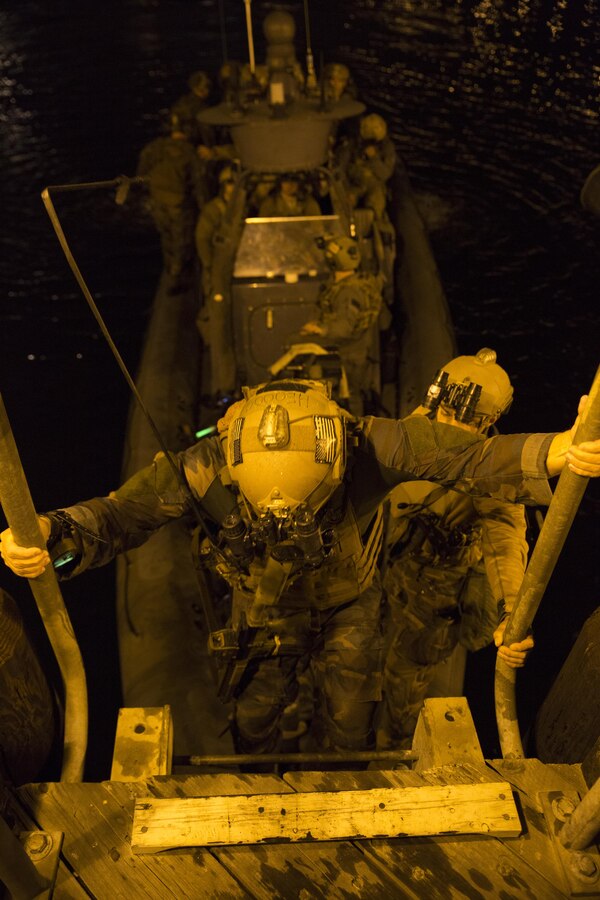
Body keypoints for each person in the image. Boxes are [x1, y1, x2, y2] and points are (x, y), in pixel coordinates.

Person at [1, 379, 598, 761]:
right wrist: (54, 533)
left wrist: (560, 449)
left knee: (351, 709)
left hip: (352, 605)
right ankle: (256, 764)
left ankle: (352, 767)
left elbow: (466, 455)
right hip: (262, 609)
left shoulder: (369, 445)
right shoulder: (207, 465)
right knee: (256, 710)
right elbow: (122, 514)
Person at [378, 349, 536, 750]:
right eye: (444, 413)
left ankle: (391, 749)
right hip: (386, 570)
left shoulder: (491, 470)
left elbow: (505, 537)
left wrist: (512, 612)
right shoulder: (412, 430)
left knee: (405, 681)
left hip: (431, 599)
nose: (447, 425)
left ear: (488, 423)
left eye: (460, 418)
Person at [301, 235, 384, 414]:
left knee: (353, 402)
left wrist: (321, 329)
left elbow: (344, 327)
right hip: (355, 352)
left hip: (350, 354)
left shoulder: (349, 291)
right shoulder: (352, 283)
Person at [136, 113, 206, 291]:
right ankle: (177, 275)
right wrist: (202, 205)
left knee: (166, 235)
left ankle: (169, 268)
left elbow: (141, 174)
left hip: (158, 200)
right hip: (177, 202)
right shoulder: (189, 151)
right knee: (181, 238)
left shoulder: (154, 148)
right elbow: (199, 182)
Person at [335, 113, 397, 221]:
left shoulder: (387, 147)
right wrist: (346, 190)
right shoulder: (352, 144)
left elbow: (385, 174)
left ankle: (375, 225)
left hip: (374, 185)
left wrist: (373, 158)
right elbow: (341, 168)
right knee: (343, 205)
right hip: (354, 184)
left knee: (377, 200)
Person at [194, 163, 236, 298]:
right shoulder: (213, 210)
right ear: (223, 185)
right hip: (219, 263)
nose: (233, 187)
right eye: (230, 183)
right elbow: (202, 238)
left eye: (236, 183)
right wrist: (210, 265)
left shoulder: (246, 207)